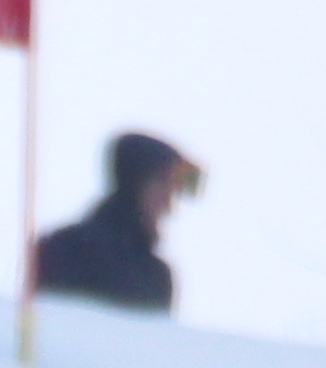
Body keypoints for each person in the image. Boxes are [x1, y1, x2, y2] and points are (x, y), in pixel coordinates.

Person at [30, 131, 202, 314]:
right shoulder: (67, 249)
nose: (168, 205)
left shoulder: (156, 276)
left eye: (173, 192)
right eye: (162, 185)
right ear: (135, 186)